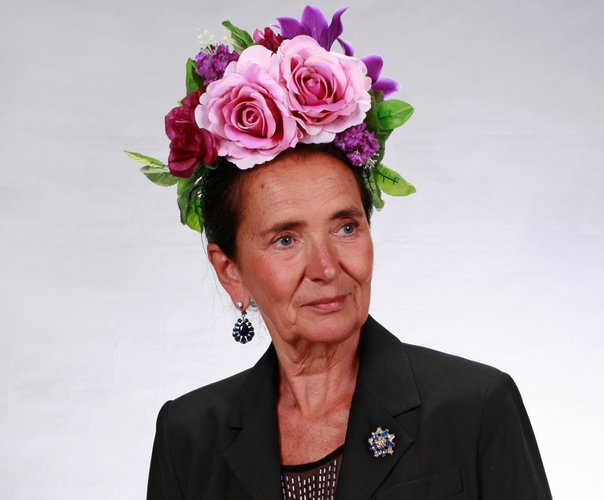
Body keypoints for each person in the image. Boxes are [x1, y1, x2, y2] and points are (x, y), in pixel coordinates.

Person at [129, 6, 553, 499]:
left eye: (346, 227)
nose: (327, 267)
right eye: (286, 239)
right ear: (231, 272)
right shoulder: (188, 437)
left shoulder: (475, 407)